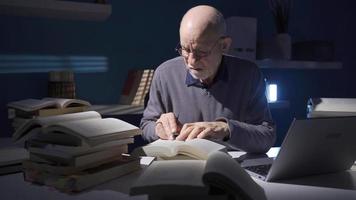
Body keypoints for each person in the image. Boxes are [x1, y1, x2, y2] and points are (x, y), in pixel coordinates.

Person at [140, 5, 275, 153]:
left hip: (232, 169)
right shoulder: (164, 74)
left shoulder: (249, 75)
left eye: (201, 52)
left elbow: (267, 136)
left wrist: (226, 129)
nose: (191, 61)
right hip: (182, 169)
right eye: (185, 49)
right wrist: (159, 128)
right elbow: (146, 125)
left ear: (224, 45)